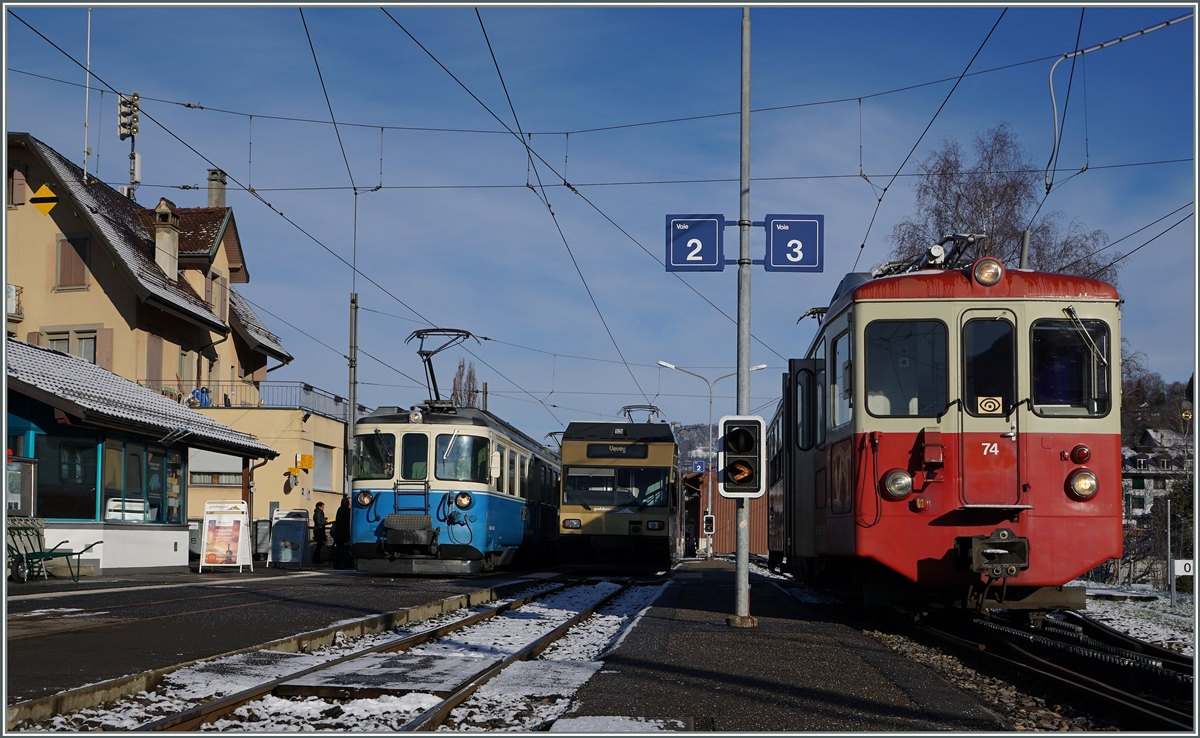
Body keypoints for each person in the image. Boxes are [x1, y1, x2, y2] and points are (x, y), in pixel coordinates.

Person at [331, 496, 352, 569]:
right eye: (348, 502)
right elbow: (344, 522)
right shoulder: (343, 510)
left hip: (341, 534)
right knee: (340, 550)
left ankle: (343, 563)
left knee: (342, 549)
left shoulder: (342, 509)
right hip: (341, 534)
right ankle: (339, 564)